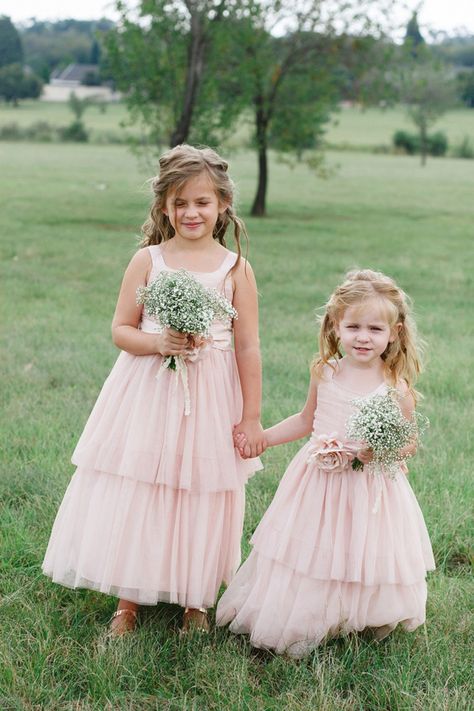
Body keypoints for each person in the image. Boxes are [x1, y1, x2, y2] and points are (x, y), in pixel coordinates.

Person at [42, 144, 265, 637]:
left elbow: (248, 348)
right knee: (143, 486)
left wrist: (251, 418)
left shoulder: (235, 270)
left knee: (202, 491)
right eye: (180, 203)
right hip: (147, 392)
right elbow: (121, 330)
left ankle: (195, 599)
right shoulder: (148, 260)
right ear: (164, 206)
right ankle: (129, 599)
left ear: (223, 204)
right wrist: (158, 341)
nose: (191, 212)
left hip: (209, 396)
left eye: (202, 202)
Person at [217, 269, 435, 658]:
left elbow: (409, 443)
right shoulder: (326, 372)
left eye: (374, 329)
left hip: (369, 485)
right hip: (318, 480)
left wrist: (380, 451)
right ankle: (310, 613)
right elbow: (305, 420)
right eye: (353, 327)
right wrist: (264, 437)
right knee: (314, 550)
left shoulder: (394, 386)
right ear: (335, 327)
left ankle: (359, 613)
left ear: (394, 333)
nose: (363, 337)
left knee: (361, 548)